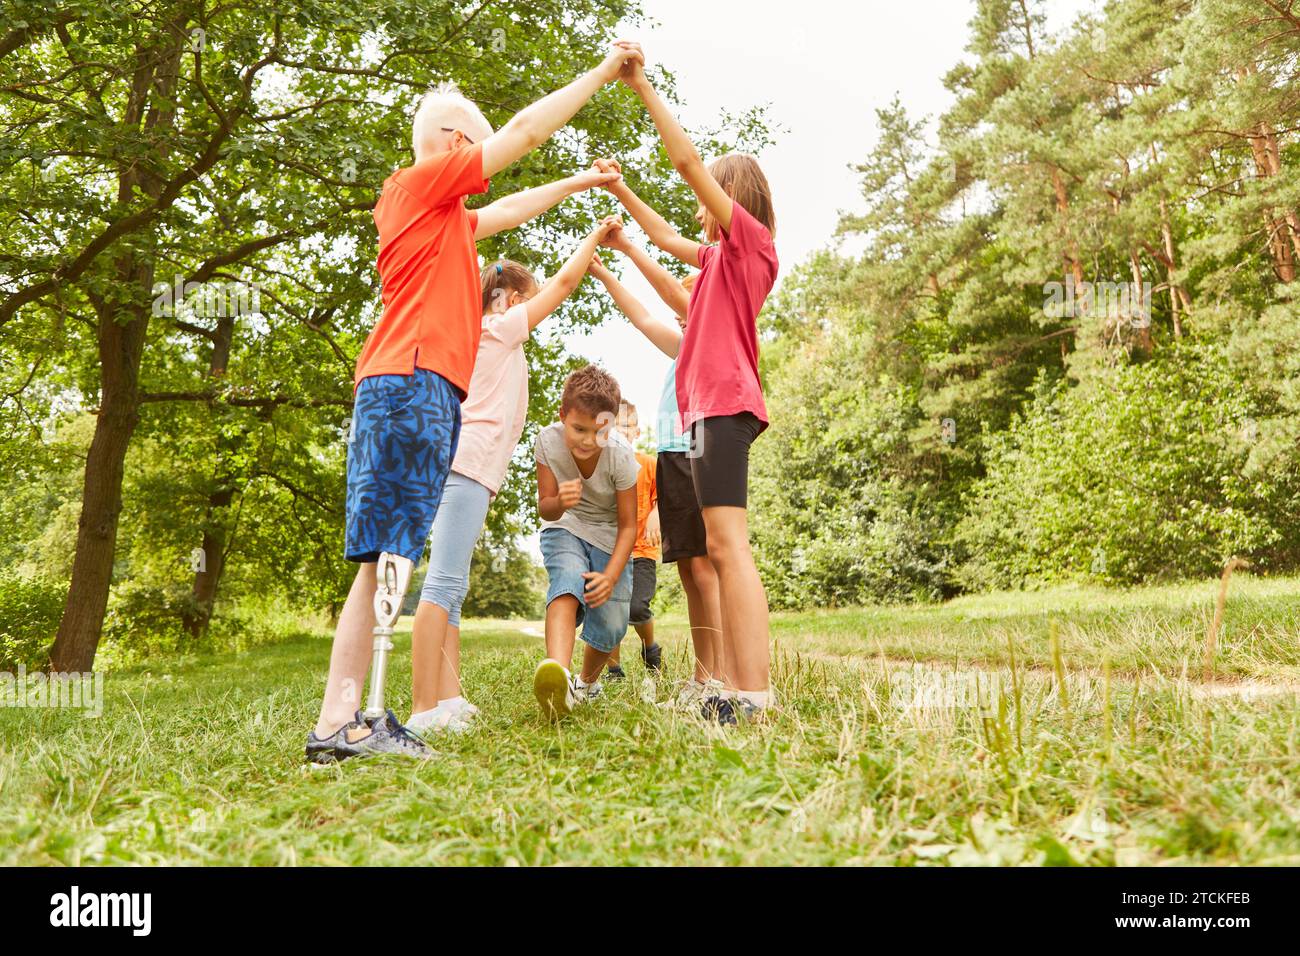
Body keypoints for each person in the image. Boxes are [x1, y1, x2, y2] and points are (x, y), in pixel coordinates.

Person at [306, 41, 646, 763]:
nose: (486, 156)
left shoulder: (445, 222)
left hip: (416, 388)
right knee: (386, 560)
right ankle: (351, 721)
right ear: (457, 144)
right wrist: (600, 72)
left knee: (384, 558)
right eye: (478, 147)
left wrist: (583, 182)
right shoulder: (416, 186)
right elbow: (524, 132)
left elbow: (515, 204)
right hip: (410, 383)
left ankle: (348, 719)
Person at [595, 48, 779, 724]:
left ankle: (752, 693)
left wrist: (641, 84)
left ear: (733, 198)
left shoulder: (751, 245)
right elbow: (664, 235)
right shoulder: (713, 263)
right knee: (719, 548)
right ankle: (733, 684)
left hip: (727, 407)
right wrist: (619, 195)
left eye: (711, 197)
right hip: (703, 415)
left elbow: (687, 165)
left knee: (730, 547)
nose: (700, 209)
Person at [406, 218, 624, 735]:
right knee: (442, 582)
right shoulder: (498, 329)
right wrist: (592, 235)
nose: (533, 310)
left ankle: (449, 696)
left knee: (452, 585)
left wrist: (575, 267)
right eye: (524, 301)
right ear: (506, 300)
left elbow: (549, 287)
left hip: (469, 467)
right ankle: (422, 710)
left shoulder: (484, 330)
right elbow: (562, 287)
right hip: (469, 464)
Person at [586, 248, 726, 709]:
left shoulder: (708, 340)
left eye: (686, 311)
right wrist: (605, 274)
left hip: (693, 452)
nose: (680, 321)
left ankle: (718, 675)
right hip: (672, 456)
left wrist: (625, 251)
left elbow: (649, 317)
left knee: (703, 568)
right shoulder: (683, 348)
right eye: (678, 316)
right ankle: (702, 677)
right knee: (689, 568)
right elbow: (643, 317)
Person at [532, 365, 639, 720]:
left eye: (599, 432)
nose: (588, 440)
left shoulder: (622, 457)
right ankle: (558, 677)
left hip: (611, 535)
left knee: (611, 620)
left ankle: (586, 684)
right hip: (565, 525)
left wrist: (610, 575)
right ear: (562, 416)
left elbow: (628, 527)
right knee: (566, 581)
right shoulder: (547, 441)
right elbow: (546, 509)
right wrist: (560, 501)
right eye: (578, 429)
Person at [603, 401, 663, 681]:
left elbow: (663, 499)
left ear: (637, 431)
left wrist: (655, 513)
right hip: (610, 551)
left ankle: (650, 648)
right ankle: (614, 670)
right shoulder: (604, 467)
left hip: (642, 551)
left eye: (627, 426)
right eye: (616, 426)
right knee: (611, 609)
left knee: (637, 607)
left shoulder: (649, 465)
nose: (622, 432)